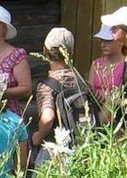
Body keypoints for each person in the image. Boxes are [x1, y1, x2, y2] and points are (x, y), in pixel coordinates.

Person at [30, 27, 101, 156]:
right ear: (71, 52)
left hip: (57, 149)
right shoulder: (82, 82)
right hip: (83, 147)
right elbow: (104, 106)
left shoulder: (46, 86)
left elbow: (48, 118)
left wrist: (38, 136)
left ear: (44, 51)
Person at [89, 21, 127, 122]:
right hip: (95, 110)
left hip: (116, 115)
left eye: (108, 40)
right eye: (101, 40)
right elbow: (89, 91)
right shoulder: (96, 64)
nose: (103, 44)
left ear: (120, 41)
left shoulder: (126, 65)